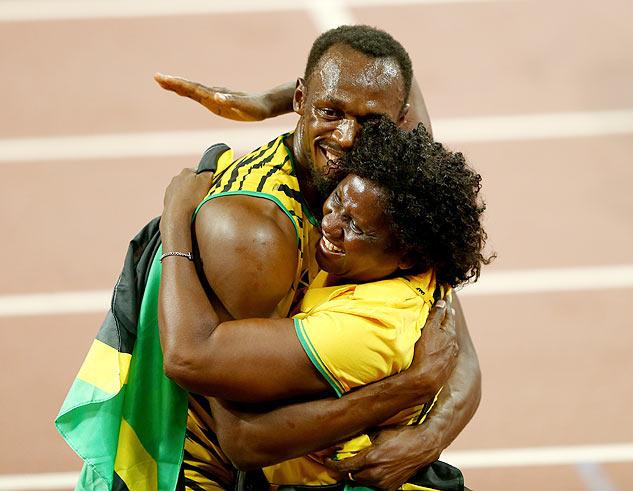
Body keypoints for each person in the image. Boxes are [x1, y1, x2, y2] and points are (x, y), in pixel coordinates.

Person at [56, 25, 480, 491]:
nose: (347, 136)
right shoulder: (256, 237)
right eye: (329, 111)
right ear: (305, 100)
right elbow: (241, 436)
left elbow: (453, 340)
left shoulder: (391, 184)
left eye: (371, 121)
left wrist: (430, 436)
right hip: (204, 475)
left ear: (398, 121)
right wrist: (410, 386)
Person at [158, 115, 490, 490]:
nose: (330, 226)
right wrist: (282, 98)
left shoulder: (367, 329)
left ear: (406, 256)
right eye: (335, 203)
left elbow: (239, 435)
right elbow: (395, 86)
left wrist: (175, 222)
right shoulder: (388, 253)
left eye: (354, 226)